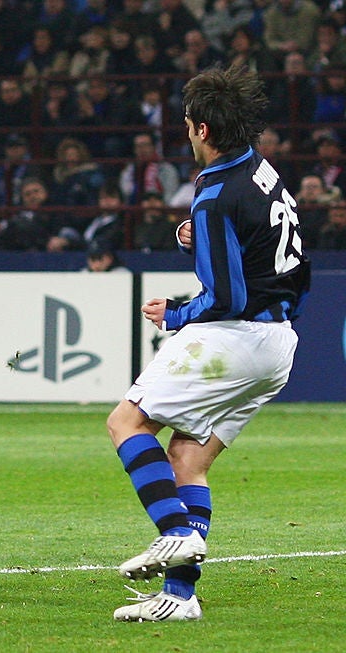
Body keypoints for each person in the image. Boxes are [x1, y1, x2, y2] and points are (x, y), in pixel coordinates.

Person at [107, 66, 310, 622]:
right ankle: (179, 598)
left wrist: (176, 312)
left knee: (126, 422)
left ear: (198, 129)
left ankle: (175, 532)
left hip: (234, 336)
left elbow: (224, 296)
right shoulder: (259, 170)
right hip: (278, 343)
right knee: (188, 459)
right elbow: (261, 246)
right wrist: (193, 240)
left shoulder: (215, 192)